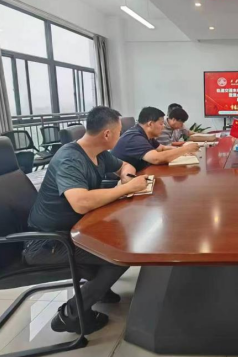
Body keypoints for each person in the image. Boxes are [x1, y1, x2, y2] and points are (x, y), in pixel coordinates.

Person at [24, 106, 149, 335]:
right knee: (120, 255)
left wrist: (127, 177)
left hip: (74, 229)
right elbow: (80, 203)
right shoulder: (70, 158)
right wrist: (127, 188)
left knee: (122, 237)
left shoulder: (98, 152)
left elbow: (123, 165)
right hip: (47, 242)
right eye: (119, 132)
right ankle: (72, 314)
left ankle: (98, 288)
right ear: (107, 134)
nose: (120, 136)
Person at [112, 106, 199, 170]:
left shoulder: (145, 134)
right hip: (123, 180)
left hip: (141, 172)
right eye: (161, 123)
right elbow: (156, 159)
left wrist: (182, 152)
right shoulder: (135, 137)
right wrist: (185, 149)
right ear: (150, 124)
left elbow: (162, 148)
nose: (163, 127)